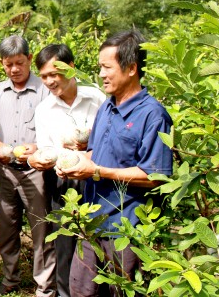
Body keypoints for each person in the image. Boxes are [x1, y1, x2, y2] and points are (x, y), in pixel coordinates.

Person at [57, 29, 173, 296]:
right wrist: (74, 163)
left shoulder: (153, 115)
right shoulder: (107, 108)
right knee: (81, 291)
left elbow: (155, 176)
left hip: (126, 230)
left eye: (107, 67)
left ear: (131, 68)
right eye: (100, 67)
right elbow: (94, 155)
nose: (101, 74)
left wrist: (96, 171)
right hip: (91, 224)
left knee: (121, 291)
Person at [27, 44, 106, 297]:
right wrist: (40, 158)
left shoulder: (97, 98)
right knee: (65, 244)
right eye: (44, 76)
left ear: (71, 68)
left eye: (55, 73)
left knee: (99, 241)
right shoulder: (44, 110)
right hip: (62, 183)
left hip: (96, 179)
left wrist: (89, 144)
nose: (50, 81)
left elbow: (108, 139)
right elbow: (46, 148)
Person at [0, 35, 56, 297]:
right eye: (8, 64)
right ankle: (10, 278)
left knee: (41, 228)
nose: (14, 69)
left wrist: (37, 148)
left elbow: (54, 129)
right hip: (5, 171)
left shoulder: (45, 90)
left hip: (36, 171)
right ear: (2, 63)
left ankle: (45, 287)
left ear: (29, 58)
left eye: (19, 63)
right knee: (7, 227)